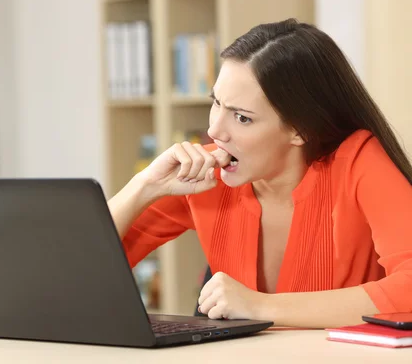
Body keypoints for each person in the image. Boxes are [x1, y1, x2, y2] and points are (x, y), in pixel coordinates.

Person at [108, 18, 412, 328]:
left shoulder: (359, 162)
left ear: (300, 130)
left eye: (242, 118)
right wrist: (144, 186)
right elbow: (75, 267)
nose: (214, 131)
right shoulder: (207, 176)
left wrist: (260, 306)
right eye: (217, 103)